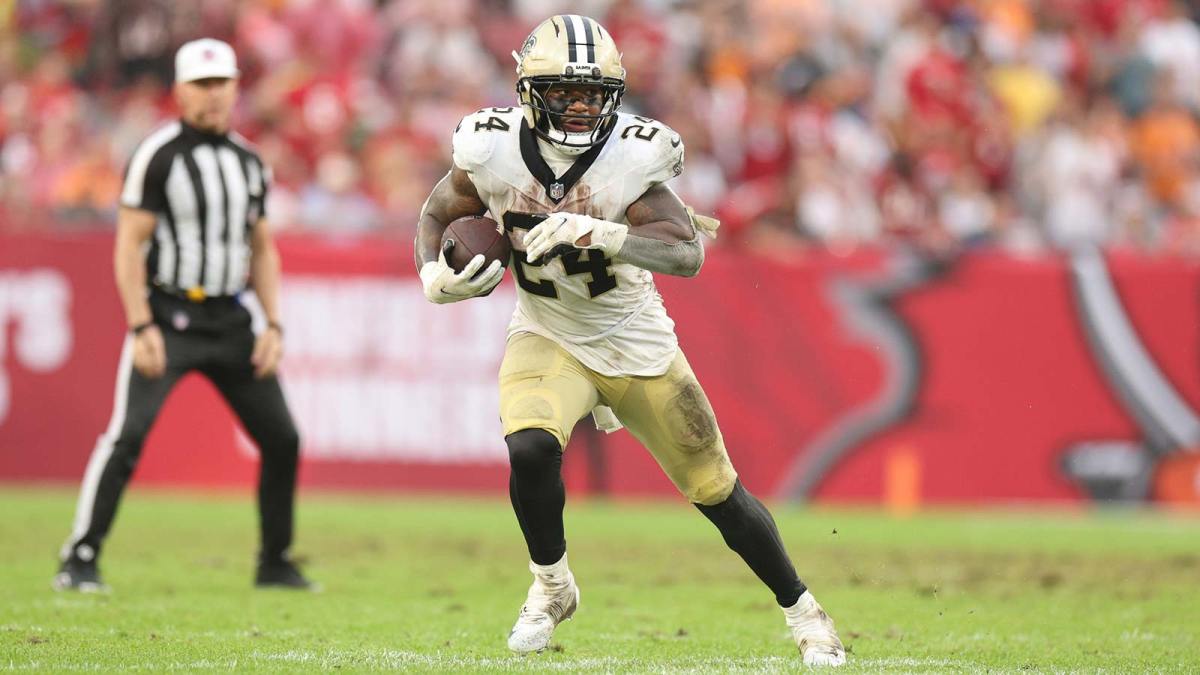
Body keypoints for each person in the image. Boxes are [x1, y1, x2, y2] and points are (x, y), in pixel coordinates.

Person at [414, 15, 845, 666]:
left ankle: (805, 612)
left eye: (593, 94)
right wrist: (431, 275)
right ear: (529, 92)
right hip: (548, 329)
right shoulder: (490, 147)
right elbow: (437, 211)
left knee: (717, 491)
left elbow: (687, 253)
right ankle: (552, 585)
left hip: (632, 339)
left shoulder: (631, 155)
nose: (580, 107)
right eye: (564, 92)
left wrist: (603, 234)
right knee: (529, 446)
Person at [54, 38, 315, 592]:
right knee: (127, 435)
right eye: (201, 84)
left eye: (221, 82)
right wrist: (140, 324)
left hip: (230, 319)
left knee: (282, 437)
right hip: (169, 315)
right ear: (179, 90)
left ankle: (275, 561)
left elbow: (262, 248)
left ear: (236, 87)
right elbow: (129, 245)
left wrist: (273, 323)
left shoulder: (249, 162)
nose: (212, 94)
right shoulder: (158, 154)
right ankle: (80, 556)